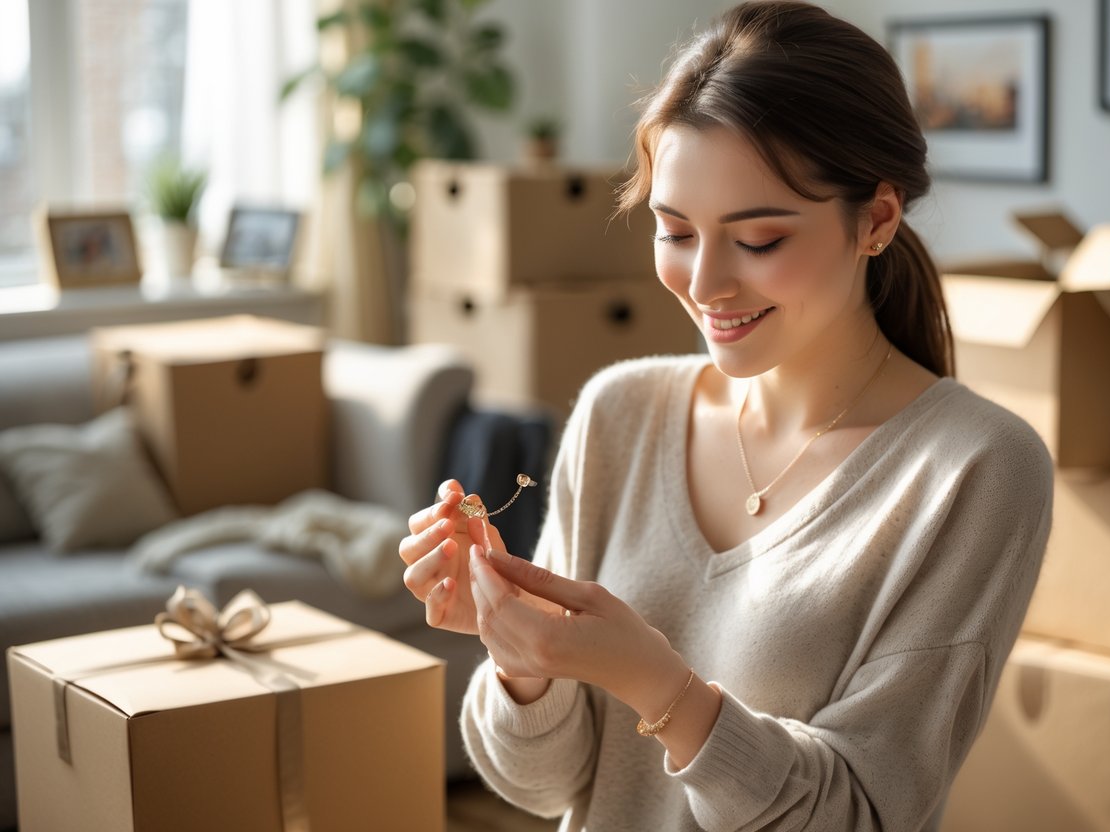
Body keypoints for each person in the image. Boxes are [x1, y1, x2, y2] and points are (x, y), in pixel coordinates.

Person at [399, 2, 1053, 829]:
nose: (705, 284)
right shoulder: (619, 411)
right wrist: (522, 655)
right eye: (674, 231)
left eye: (758, 241)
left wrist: (656, 685)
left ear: (876, 219)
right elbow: (545, 786)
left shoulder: (977, 467)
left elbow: (859, 811)